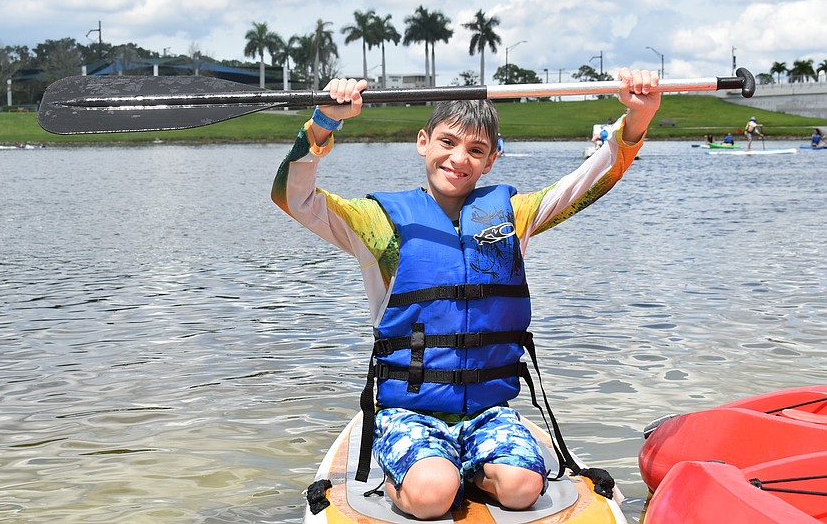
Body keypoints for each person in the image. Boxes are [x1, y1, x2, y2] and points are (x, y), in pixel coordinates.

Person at [271, 68, 660, 519]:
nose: (460, 159)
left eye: (476, 150)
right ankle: (420, 479)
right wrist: (323, 123)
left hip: (487, 410)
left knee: (522, 488)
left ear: (492, 159)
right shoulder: (379, 224)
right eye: (447, 143)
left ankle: (467, 468)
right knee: (433, 495)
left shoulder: (513, 216)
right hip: (410, 409)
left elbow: (588, 179)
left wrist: (636, 118)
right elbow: (294, 197)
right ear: (423, 141)